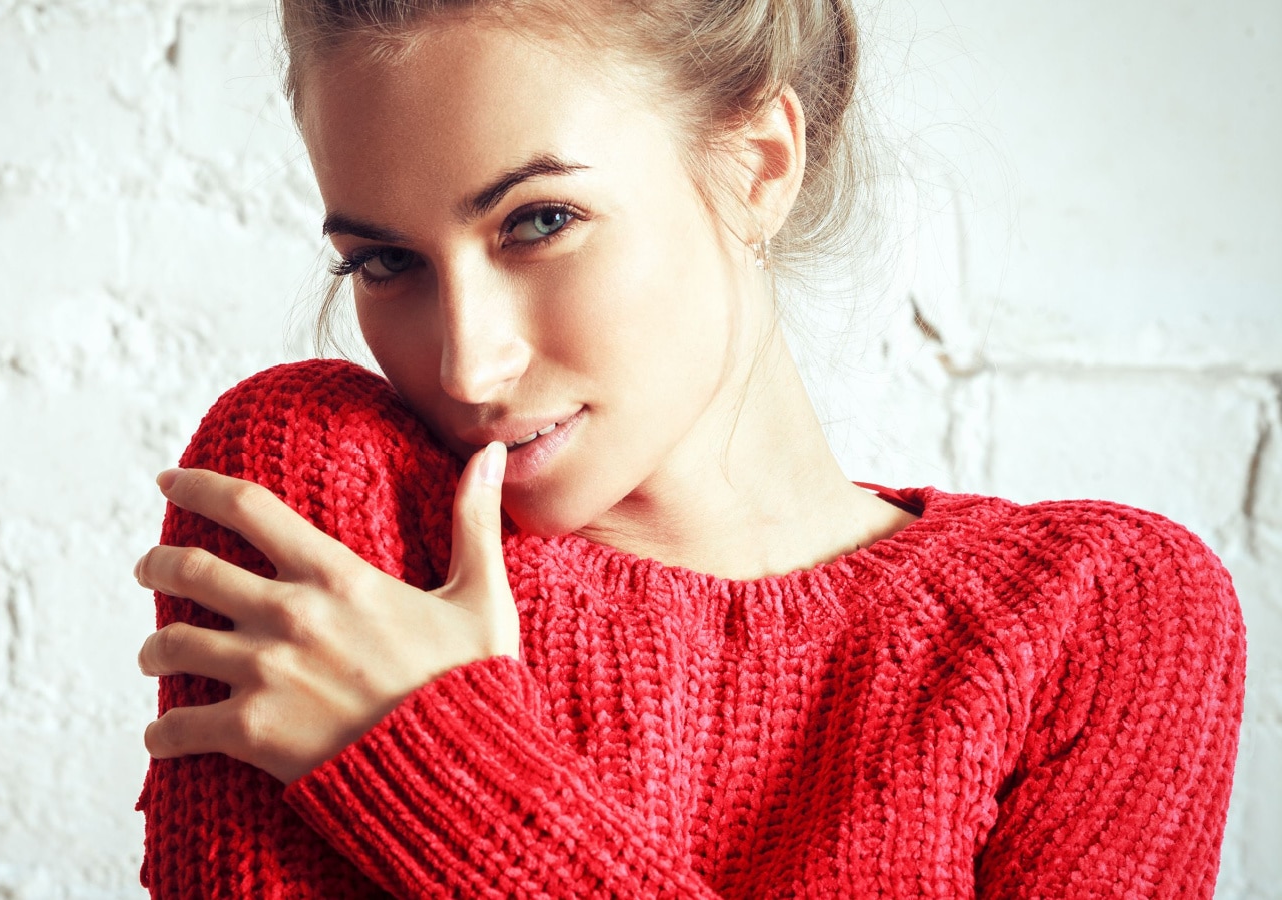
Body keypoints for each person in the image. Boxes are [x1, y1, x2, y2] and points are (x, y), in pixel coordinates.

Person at [131, 0, 1247, 895]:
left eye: (536, 222)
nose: (468, 367)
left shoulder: (1094, 613)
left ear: (758, 164)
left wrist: (435, 758)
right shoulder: (326, 508)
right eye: (384, 264)